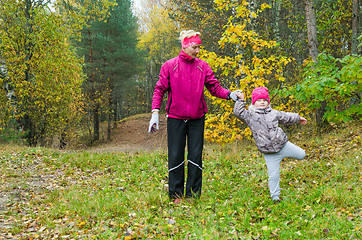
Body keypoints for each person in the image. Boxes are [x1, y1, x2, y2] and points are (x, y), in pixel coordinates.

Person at [148, 30, 241, 203]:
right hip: (175, 117)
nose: (198, 50)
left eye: (199, 47)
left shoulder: (203, 66)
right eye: (195, 47)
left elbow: (215, 88)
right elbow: (159, 89)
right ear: (185, 45)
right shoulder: (169, 65)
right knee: (175, 154)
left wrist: (230, 94)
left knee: (195, 155)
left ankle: (192, 195)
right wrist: (155, 113)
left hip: (197, 118)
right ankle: (176, 195)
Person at [233, 87, 307, 202]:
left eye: (264, 100)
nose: (262, 102)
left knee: (302, 154)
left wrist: (298, 118)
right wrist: (241, 100)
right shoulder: (250, 116)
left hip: (283, 145)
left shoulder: (274, 113)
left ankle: (289, 155)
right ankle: (275, 196)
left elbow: (286, 116)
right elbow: (238, 112)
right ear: (254, 102)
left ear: (268, 102)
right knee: (273, 176)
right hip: (270, 153)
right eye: (259, 100)